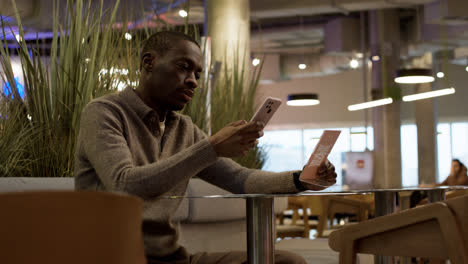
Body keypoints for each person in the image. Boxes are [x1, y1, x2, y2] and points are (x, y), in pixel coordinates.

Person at [74, 31, 337, 264]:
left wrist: (301, 179)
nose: (193, 82)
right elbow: (124, 185)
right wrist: (212, 147)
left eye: (197, 74)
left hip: (172, 258)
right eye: (183, 67)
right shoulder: (104, 113)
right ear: (149, 62)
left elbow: (241, 179)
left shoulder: (183, 129)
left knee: (285, 261)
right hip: (113, 257)